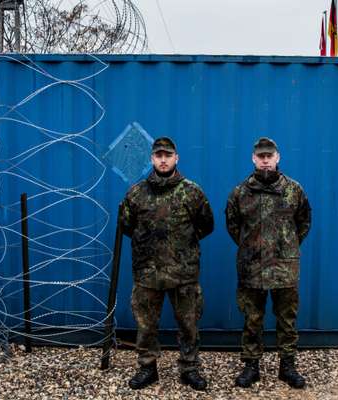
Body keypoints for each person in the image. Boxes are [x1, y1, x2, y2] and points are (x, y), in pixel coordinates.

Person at [121, 137, 214, 391]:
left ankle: (189, 368)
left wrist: (181, 247)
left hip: (183, 272)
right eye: (158, 155)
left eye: (168, 155)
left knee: (189, 323)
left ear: (176, 158)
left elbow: (206, 225)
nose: (163, 160)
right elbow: (127, 226)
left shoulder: (192, 192)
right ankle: (147, 367)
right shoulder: (137, 193)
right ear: (151, 159)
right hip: (147, 272)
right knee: (146, 324)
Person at [225, 137, 311, 389]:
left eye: (269, 156)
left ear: (277, 158)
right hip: (252, 267)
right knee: (252, 319)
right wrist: (252, 248)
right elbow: (233, 226)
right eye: (260, 156)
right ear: (253, 158)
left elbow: (303, 223)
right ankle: (251, 366)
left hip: (285, 267)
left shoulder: (294, 190)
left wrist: (286, 247)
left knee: (287, 319)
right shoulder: (241, 193)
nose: (265, 161)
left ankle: (288, 366)